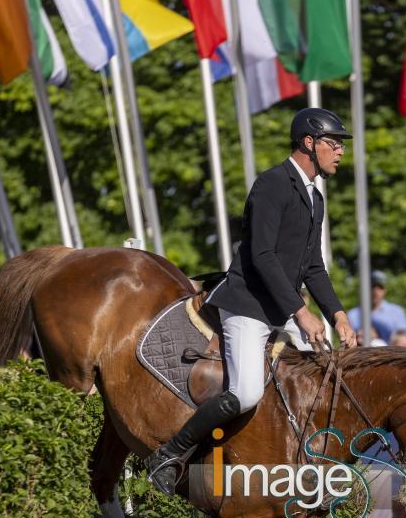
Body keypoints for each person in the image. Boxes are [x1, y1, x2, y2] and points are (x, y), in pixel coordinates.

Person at [146, 109, 357, 494]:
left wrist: (338, 314)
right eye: (334, 143)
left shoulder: (315, 198)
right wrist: (302, 313)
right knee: (246, 393)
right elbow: (262, 256)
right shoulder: (272, 185)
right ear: (309, 143)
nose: (340, 151)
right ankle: (169, 453)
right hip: (248, 304)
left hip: (281, 306)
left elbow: (313, 265)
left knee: (327, 372)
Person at [347, 270, 406, 343]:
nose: (375, 291)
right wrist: (359, 336)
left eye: (380, 287)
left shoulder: (397, 311)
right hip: (361, 353)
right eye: (372, 287)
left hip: (390, 353)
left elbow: (404, 339)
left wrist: (378, 336)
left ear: (385, 290)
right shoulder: (353, 314)